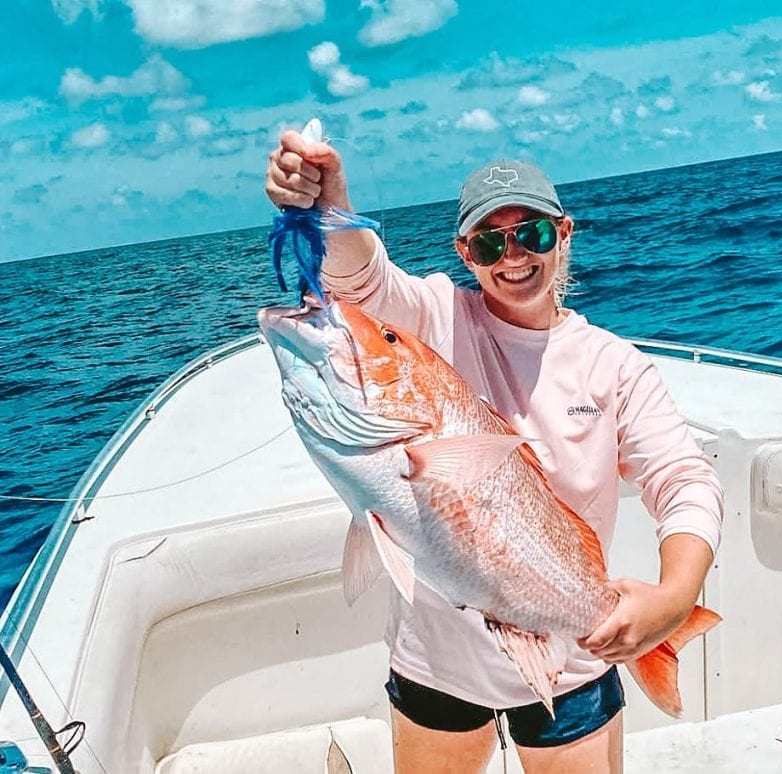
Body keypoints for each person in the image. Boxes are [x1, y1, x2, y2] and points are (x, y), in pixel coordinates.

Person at [264, 130, 724, 774]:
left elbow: (684, 479)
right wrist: (332, 207)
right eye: (488, 242)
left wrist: (674, 599)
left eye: (531, 234)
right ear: (465, 253)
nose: (512, 256)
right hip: (436, 664)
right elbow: (360, 281)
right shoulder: (436, 317)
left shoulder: (615, 366)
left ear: (564, 234)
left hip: (572, 667)